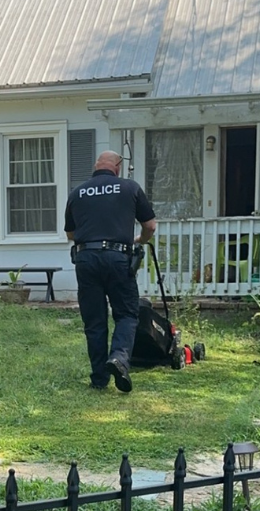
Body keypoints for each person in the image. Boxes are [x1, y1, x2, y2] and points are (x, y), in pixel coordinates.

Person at [64, 150, 156, 392]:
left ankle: (99, 379)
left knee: (94, 320)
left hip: (85, 258)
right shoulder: (129, 188)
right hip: (117, 257)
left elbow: (70, 234)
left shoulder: (78, 192)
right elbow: (150, 226)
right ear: (117, 167)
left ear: (96, 166)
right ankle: (119, 358)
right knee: (126, 314)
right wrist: (140, 240)